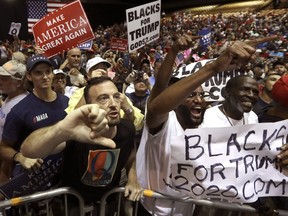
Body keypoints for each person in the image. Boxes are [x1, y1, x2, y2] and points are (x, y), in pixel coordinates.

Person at [136, 35, 276, 215]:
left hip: (187, 209)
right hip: (154, 210)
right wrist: (212, 67)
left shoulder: (205, 130)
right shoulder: (164, 124)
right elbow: (157, 99)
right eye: (191, 95)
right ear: (177, 101)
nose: (198, 100)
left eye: (201, 96)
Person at [21, 76, 143, 216]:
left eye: (116, 96)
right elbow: (29, 151)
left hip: (108, 202)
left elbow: (130, 154)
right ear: (89, 105)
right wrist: (61, 130)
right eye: (103, 98)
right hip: (72, 205)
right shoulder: (78, 133)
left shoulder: (127, 128)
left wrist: (133, 178)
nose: (113, 103)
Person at [0, 54, 68, 183]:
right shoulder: (19, 110)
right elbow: (3, 147)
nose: (45, 77)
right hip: (34, 181)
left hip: (63, 179)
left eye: (48, 71)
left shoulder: (66, 102)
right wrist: (20, 157)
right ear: (29, 76)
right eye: (38, 73)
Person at [66, 56, 144, 132]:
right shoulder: (79, 93)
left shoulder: (115, 93)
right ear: (88, 75)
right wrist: (91, 84)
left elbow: (137, 125)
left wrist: (128, 109)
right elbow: (72, 121)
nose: (101, 71)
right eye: (96, 69)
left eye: (104, 69)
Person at [0, 60, 29, 184]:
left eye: (4, 78)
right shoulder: (9, 97)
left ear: (18, 82)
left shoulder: (22, 107)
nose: (0, 81)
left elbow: (11, 146)